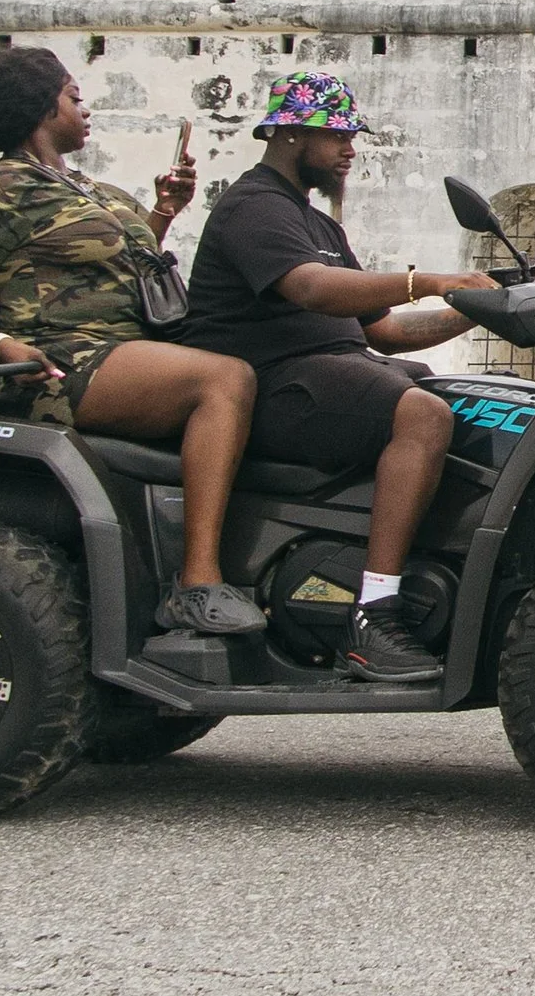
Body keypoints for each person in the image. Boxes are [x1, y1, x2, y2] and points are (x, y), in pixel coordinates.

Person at [0, 46, 266, 634]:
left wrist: (162, 213)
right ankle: (196, 583)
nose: (84, 110)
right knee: (224, 378)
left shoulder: (85, 185)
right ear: (41, 109)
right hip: (65, 360)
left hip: (129, 350)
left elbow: (120, 269)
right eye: (74, 97)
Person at [179, 72, 495, 683]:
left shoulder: (317, 225)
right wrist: (428, 280)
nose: (352, 147)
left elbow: (383, 331)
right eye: (339, 134)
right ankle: (373, 619)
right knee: (421, 413)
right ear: (294, 132)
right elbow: (311, 288)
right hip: (275, 386)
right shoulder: (253, 207)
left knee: (453, 395)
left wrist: (475, 309)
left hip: (335, 373)